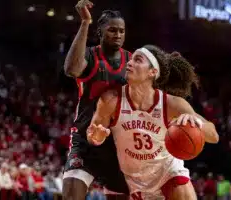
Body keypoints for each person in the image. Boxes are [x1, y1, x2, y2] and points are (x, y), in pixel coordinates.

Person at [86, 45, 219, 200]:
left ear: (152, 72)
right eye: (130, 59)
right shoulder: (111, 100)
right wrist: (96, 137)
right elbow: (92, 133)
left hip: (167, 174)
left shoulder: (172, 104)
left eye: (138, 60)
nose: (129, 63)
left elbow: (214, 136)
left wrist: (196, 122)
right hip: (131, 180)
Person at [62, 0, 131, 199]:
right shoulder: (90, 56)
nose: (118, 35)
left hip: (118, 145)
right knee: (71, 194)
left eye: (121, 31)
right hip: (85, 138)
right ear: (100, 32)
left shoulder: (132, 61)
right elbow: (71, 69)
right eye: (112, 30)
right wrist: (85, 22)